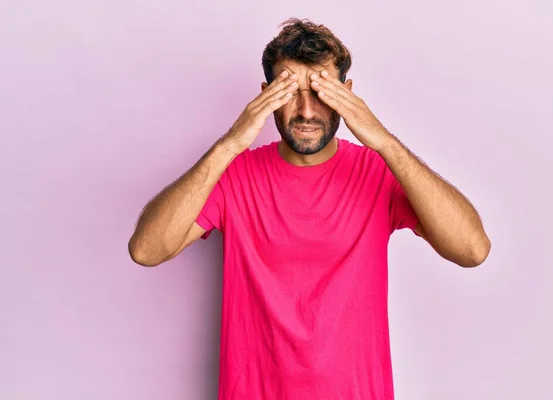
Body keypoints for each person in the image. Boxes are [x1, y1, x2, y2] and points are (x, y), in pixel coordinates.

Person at [128, 17, 491, 400]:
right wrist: (230, 144)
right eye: (290, 92)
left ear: (347, 93)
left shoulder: (379, 173)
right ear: (266, 95)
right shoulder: (234, 176)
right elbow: (146, 250)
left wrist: (383, 141)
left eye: (321, 92)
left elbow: (471, 250)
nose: (305, 111)